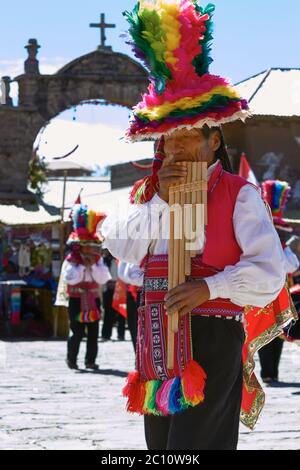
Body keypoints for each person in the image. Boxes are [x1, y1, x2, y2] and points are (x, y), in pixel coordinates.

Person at [99, 1, 295, 450]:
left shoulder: (239, 194)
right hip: (154, 328)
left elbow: (269, 273)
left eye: (190, 136)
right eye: (169, 139)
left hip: (210, 331)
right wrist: (160, 199)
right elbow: (122, 248)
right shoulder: (146, 194)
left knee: (197, 443)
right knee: (162, 444)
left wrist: (209, 287)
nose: (178, 148)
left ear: (214, 141)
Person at [59, 197, 111, 370]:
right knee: (77, 331)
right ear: (79, 246)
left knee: (93, 331)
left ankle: (90, 360)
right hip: (76, 299)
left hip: (93, 298)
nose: (89, 249)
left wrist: (94, 266)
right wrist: (82, 266)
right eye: (85, 246)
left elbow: (103, 278)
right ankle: (71, 359)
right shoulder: (71, 260)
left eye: (91, 246)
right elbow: (70, 278)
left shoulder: (98, 260)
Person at [258, 181, 299, 383]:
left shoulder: (283, 247)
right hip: (263, 295)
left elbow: (292, 266)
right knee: (265, 333)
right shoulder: (259, 246)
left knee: (280, 333)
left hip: (281, 295)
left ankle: (273, 372)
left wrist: (282, 247)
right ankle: (267, 372)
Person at [117, 261, 144, 352]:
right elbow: (124, 274)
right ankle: (138, 357)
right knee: (134, 327)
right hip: (134, 293)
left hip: (149, 290)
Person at [101, 250, 126, 341]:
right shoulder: (103, 260)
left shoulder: (120, 258)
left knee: (121, 312)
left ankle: (121, 334)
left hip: (120, 287)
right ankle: (106, 334)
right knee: (108, 312)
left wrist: (116, 283)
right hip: (108, 289)